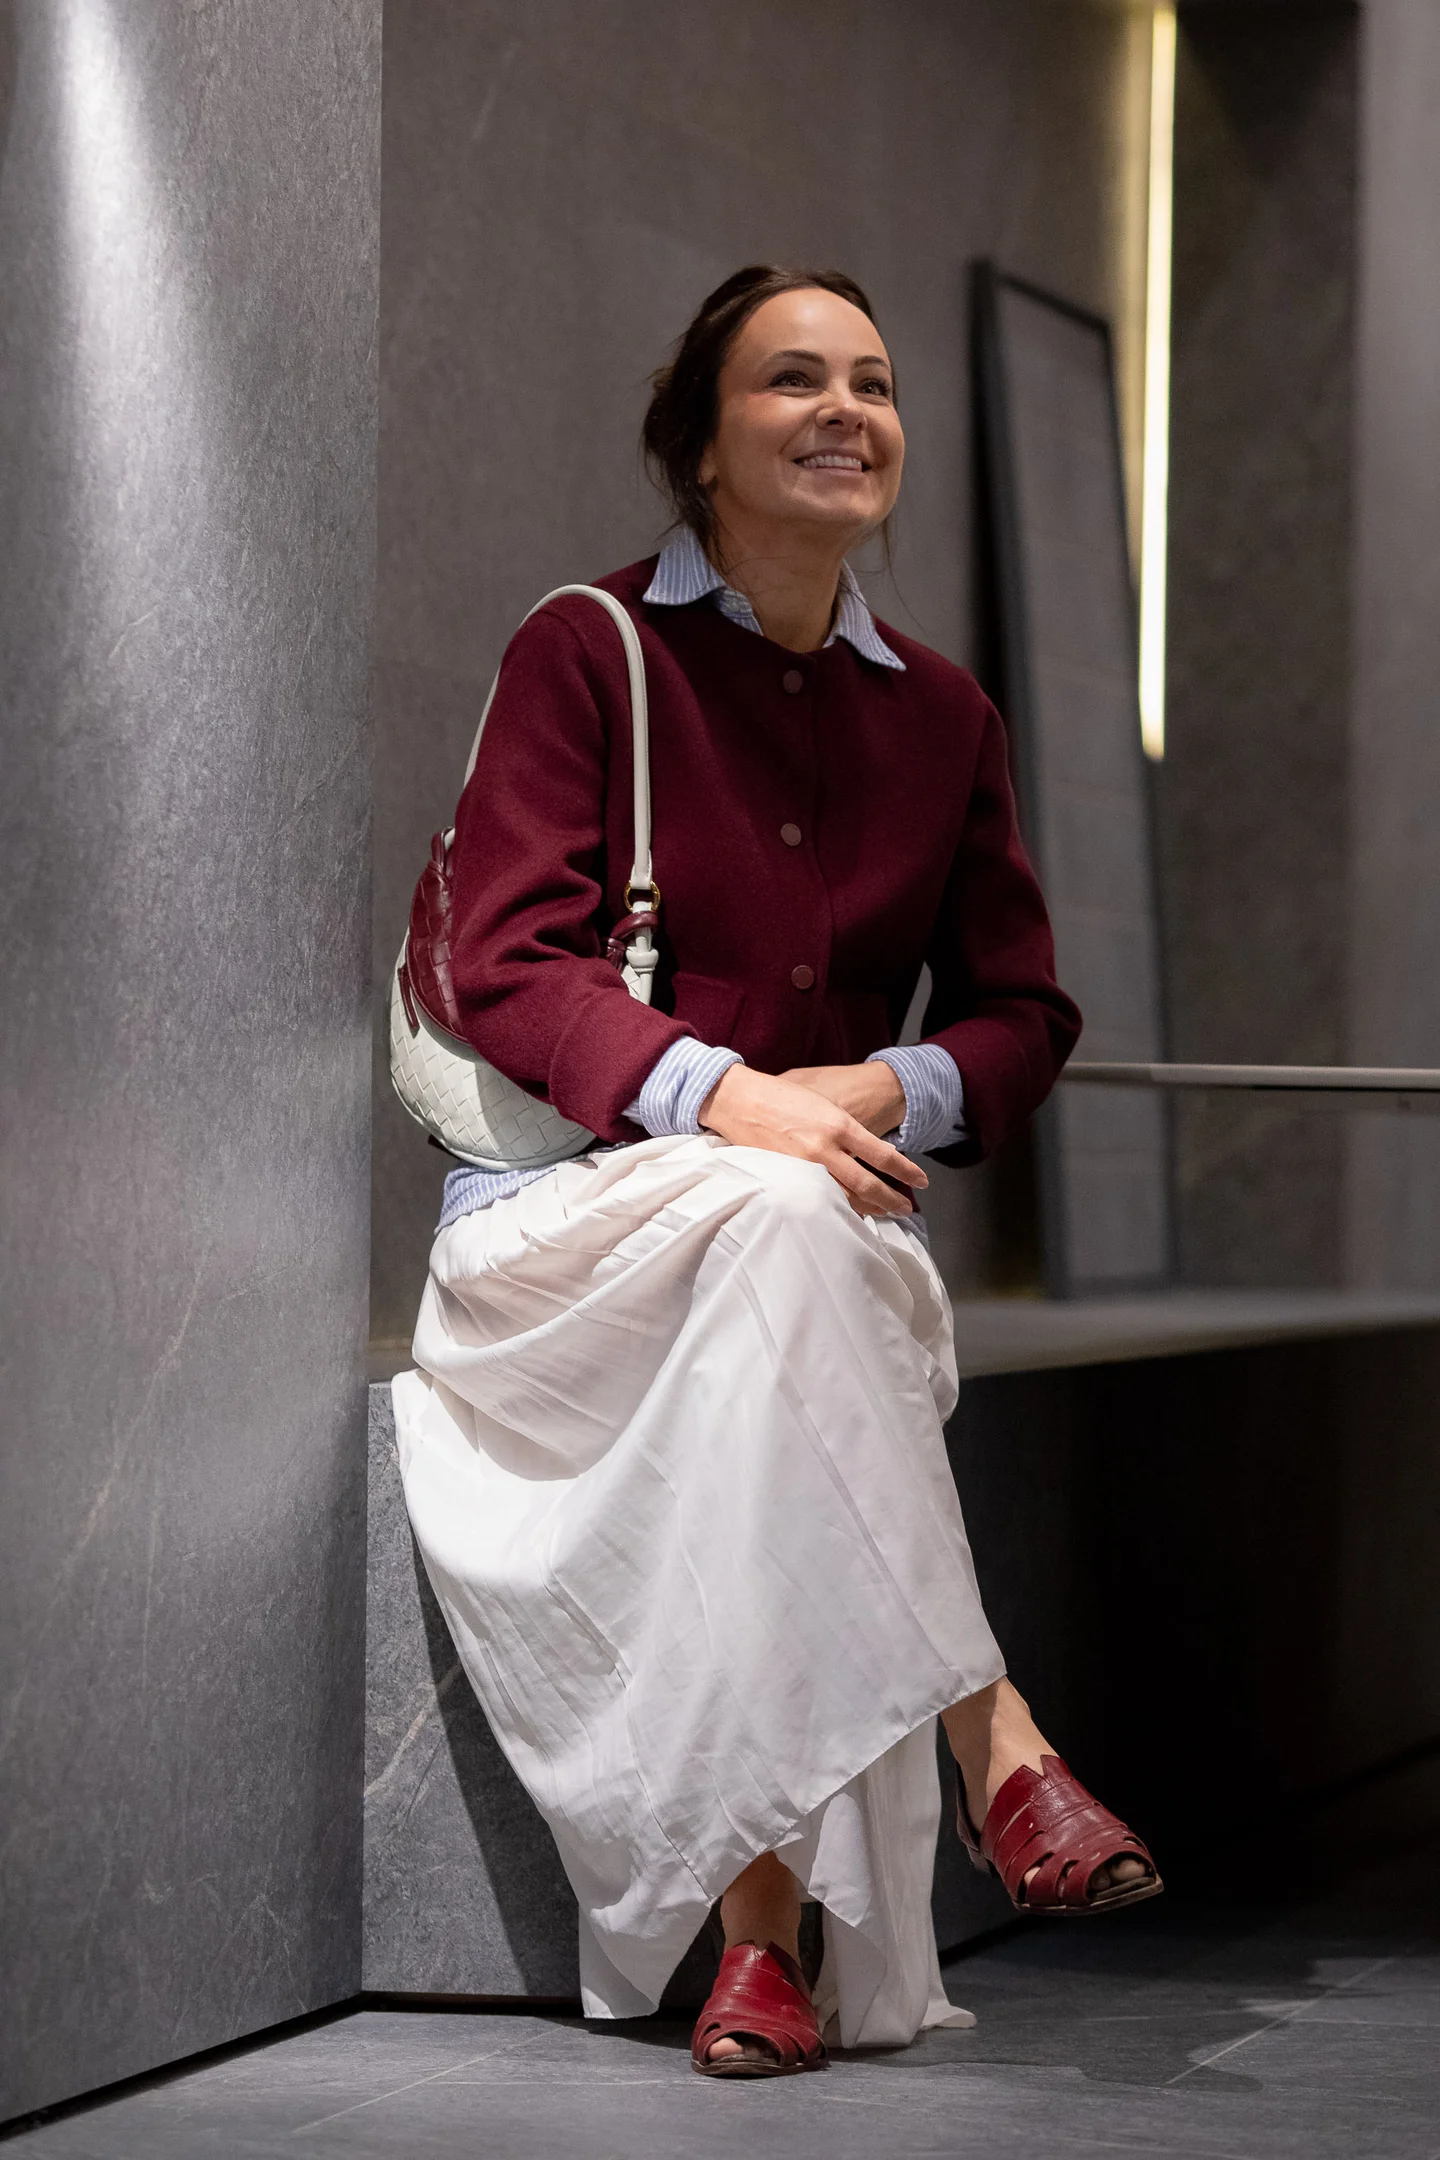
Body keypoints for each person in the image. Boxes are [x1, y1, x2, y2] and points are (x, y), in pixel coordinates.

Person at [392, 264, 1160, 2081]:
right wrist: (728, 1097)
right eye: (792, 380)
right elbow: (505, 962)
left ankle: (762, 1947)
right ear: (701, 439)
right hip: (562, 1233)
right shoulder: (590, 649)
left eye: (873, 385)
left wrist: (880, 1087)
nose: (844, 412)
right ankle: (998, 1741)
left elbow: (1026, 1016)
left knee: (788, 1243)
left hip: (786, 1237)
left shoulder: (944, 720)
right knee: (787, 1218)